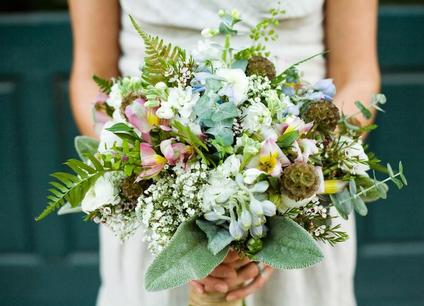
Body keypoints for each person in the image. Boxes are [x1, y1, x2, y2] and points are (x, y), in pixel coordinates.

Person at [69, 0, 380, 305]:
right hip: (151, 196)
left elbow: (358, 77)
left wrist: (285, 214)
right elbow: (91, 76)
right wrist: (140, 167)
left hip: (298, 187)